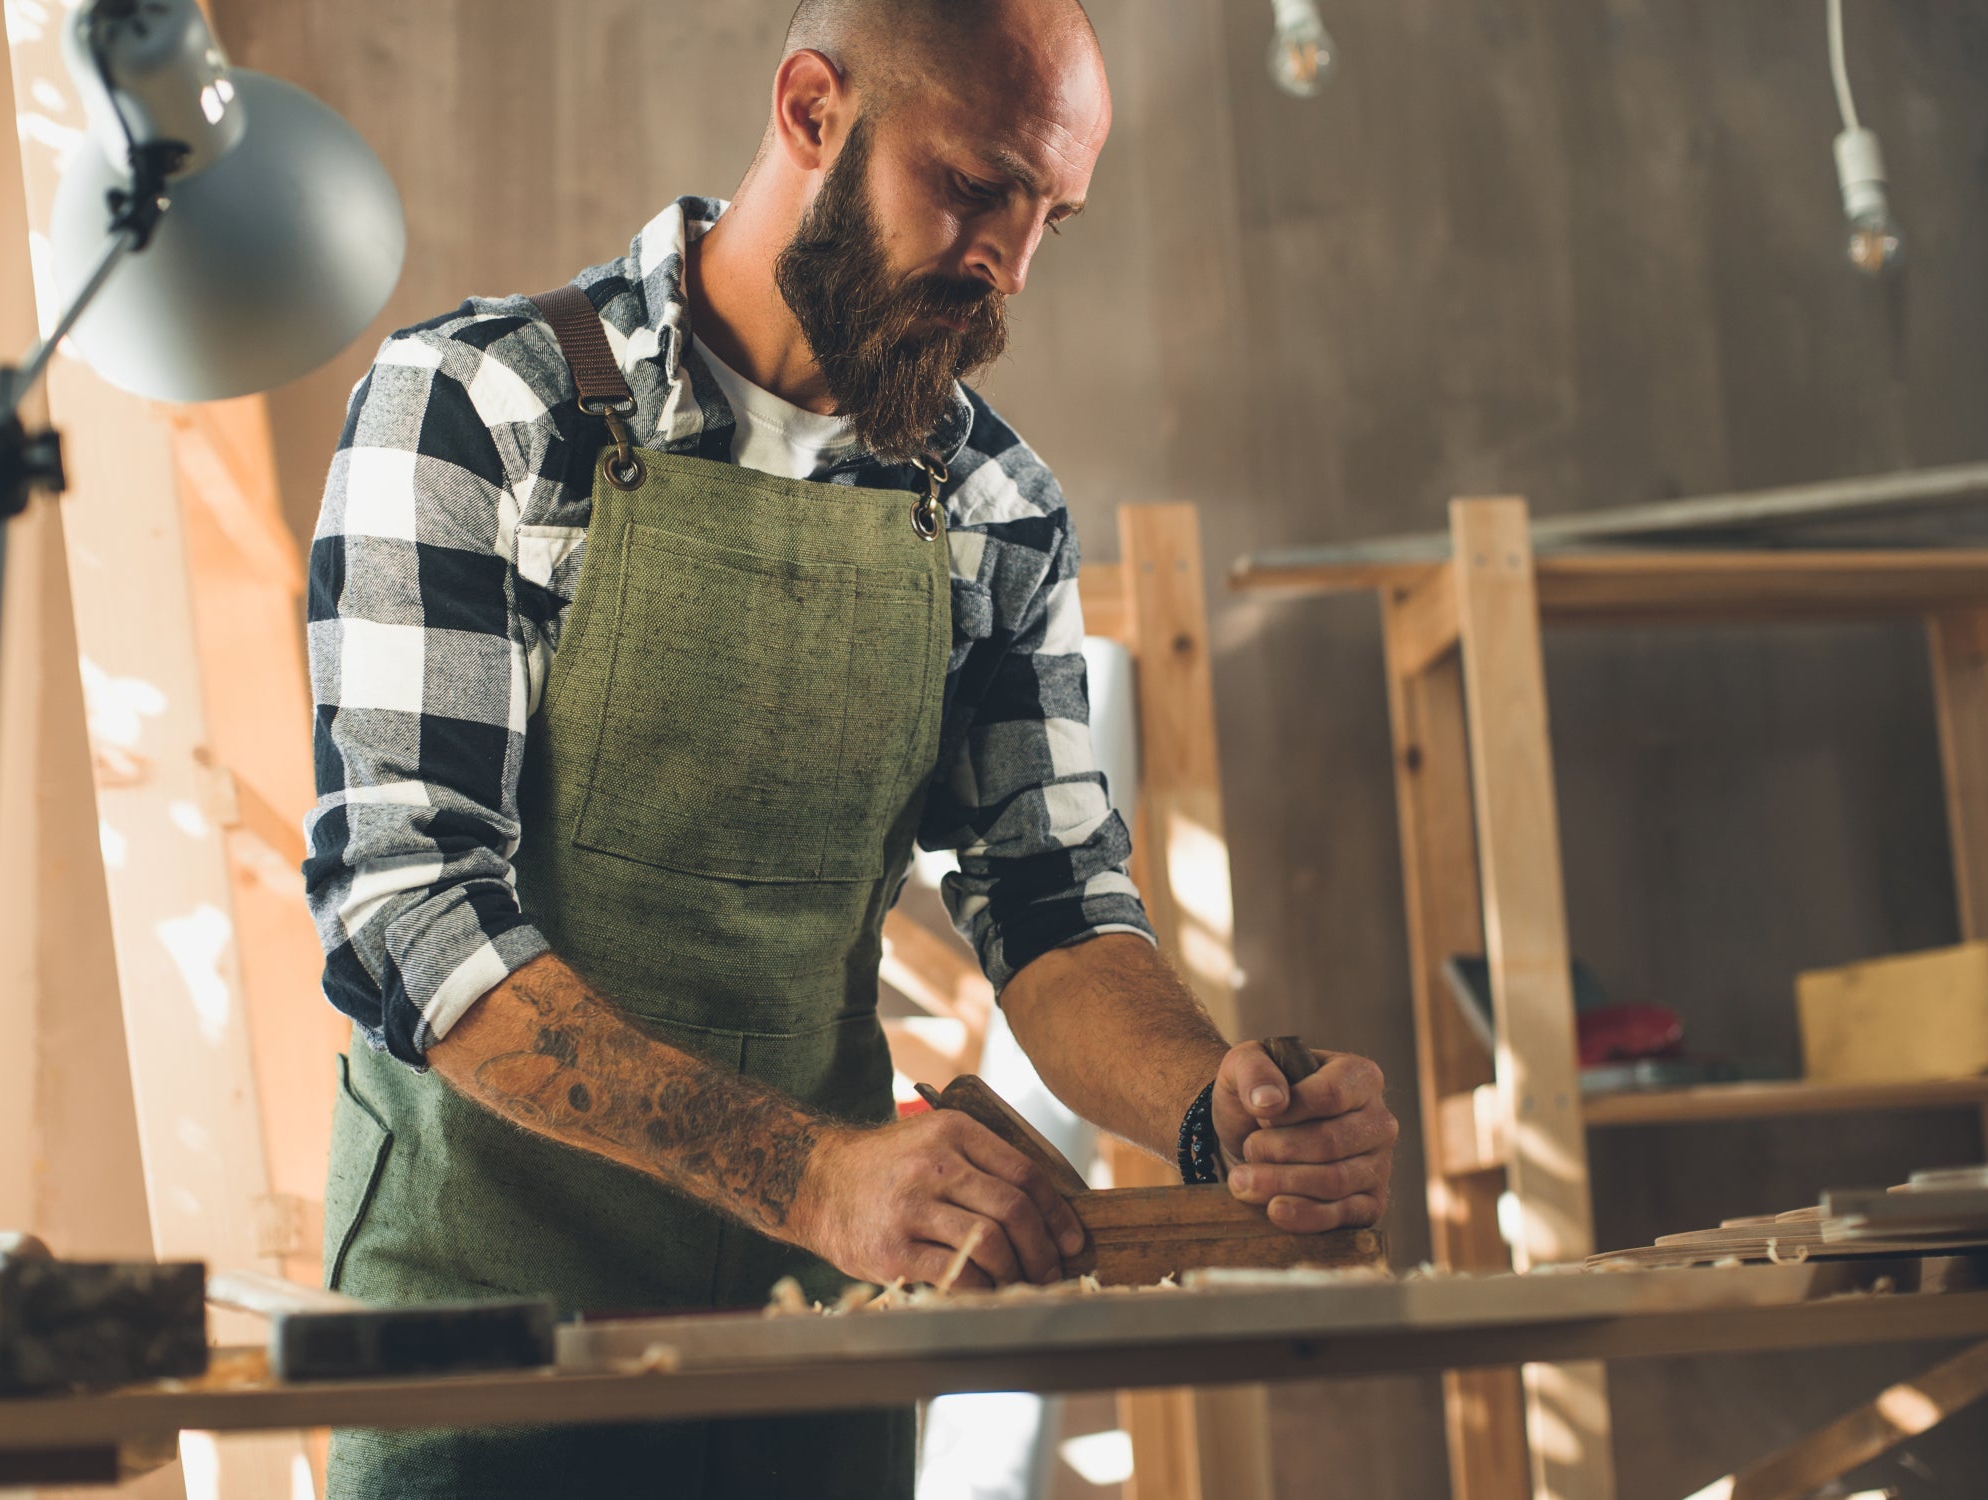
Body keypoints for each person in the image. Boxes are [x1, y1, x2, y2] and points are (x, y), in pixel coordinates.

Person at [303, 0, 1397, 1493]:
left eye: (1048, 220)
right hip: (486, 1344)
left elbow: (1058, 908)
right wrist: (813, 1177)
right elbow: (410, 914)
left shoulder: (994, 503)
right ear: (814, 110)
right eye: (974, 186)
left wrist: (1219, 1113)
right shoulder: (481, 412)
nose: (1006, 265)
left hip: (817, 1348)